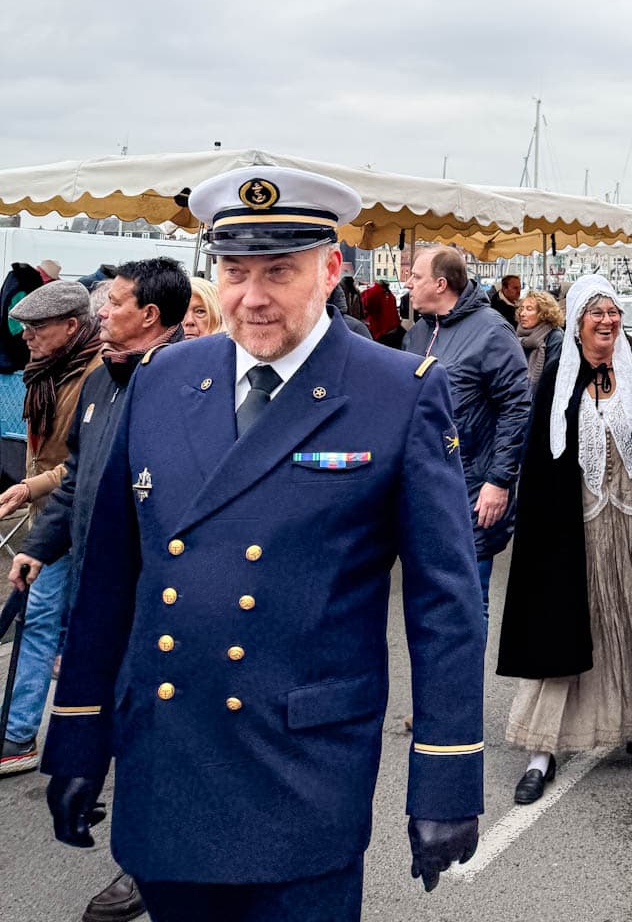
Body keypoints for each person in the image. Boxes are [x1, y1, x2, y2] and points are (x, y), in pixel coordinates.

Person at [35, 167, 484, 922]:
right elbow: (111, 574)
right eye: (235, 271)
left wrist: (444, 777)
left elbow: (446, 605)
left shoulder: (397, 391)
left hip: (300, 772)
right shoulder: (162, 378)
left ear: (330, 269)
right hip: (168, 761)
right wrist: (78, 734)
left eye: (280, 270)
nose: (252, 296)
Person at [6, 258, 189, 922]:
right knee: (108, 715)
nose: (100, 312)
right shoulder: (102, 384)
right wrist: (38, 547)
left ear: (150, 315)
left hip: (162, 602)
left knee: (154, 731)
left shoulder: (187, 386)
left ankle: (147, 865)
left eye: (113, 302)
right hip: (102, 590)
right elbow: (81, 476)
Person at [498, 275, 632, 804]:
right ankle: (541, 750)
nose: (607, 320)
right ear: (575, 322)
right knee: (569, 625)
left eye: (614, 311)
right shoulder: (558, 377)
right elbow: (542, 458)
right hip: (579, 526)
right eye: (596, 312)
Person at [0, 282, 103, 775]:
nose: (26, 336)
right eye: (23, 326)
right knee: (45, 621)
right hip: (54, 519)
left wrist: (30, 488)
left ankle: (19, 735)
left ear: (70, 326)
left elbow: (88, 460)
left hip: (79, 519)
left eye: (37, 327)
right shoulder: (46, 372)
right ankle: (19, 732)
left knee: (44, 620)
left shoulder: (98, 373)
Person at [405, 247, 531, 628]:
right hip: (423, 488)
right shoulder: (418, 333)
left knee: (470, 604)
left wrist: (499, 480)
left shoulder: (492, 331)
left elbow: (517, 406)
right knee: (429, 605)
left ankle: (465, 685)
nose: (408, 284)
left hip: (474, 487)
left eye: (417, 276)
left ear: (441, 284)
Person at [515, 289, 564, 386]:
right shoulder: (518, 335)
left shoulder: (555, 337)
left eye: (529, 309)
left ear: (543, 313)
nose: (522, 314)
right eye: (522, 309)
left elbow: (551, 376)